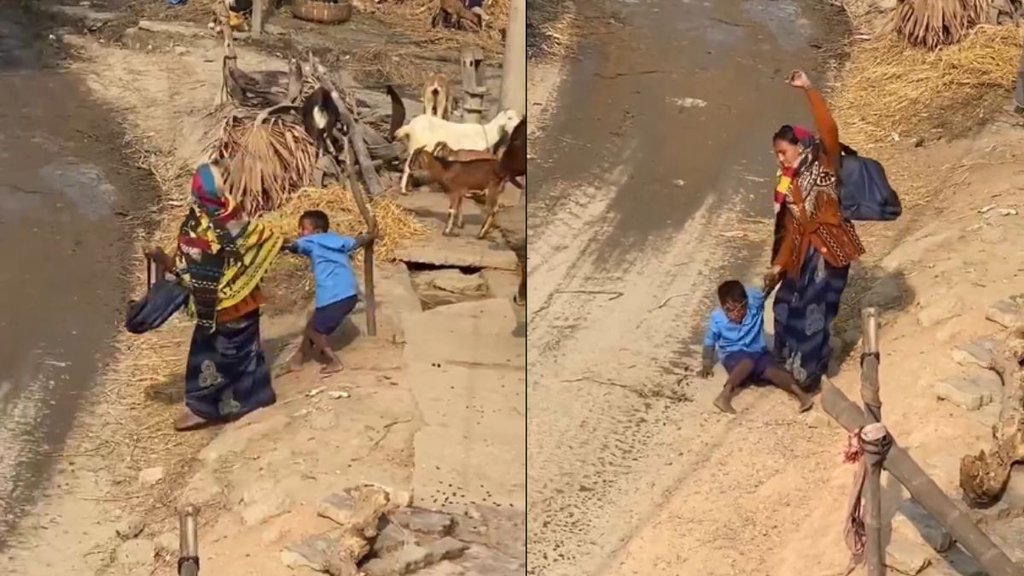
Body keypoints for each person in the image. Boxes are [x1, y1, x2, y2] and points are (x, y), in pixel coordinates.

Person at [145, 160, 283, 431]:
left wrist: (161, 258)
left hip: (219, 309)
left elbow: (188, 273)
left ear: (196, 194)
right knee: (246, 350)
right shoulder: (233, 212)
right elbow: (262, 236)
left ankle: (204, 408)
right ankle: (256, 396)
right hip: (247, 299)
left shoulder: (198, 229)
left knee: (207, 356)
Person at [765, 70, 866, 391]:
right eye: (776, 154)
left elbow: (829, 127)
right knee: (783, 305)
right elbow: (791, 229)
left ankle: (809, 374)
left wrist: (809, 88)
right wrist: (778, 265)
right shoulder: (786, 184)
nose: (779, 159)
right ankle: (786, 362)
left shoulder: (824, 162)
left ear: (800, 146)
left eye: (783, 152)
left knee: (812, 312)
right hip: (802, 255)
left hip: (830, 252)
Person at [282, 210, 375, 375]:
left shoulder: (311, 241)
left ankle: (334, 361)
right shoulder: (338, 240)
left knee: (314, 331)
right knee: (312, 324)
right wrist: (370, 235)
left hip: (333, 296)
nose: (300, 232)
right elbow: (357, 241)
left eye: (303, 228)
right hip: (350, 294)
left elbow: (294, 245)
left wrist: (276, 243)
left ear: (316, 231)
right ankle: (298, 359)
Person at [701, 280, 814, 415]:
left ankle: (802, 395)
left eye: (740, 308)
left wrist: (773, 276)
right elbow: (709, 341)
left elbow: (766, 288)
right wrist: (707, 363)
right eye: (729, 310)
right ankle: (724, 396)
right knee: (747, 363)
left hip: (758, 352)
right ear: (723, 307)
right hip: (733, 354)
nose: (735, 313)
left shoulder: (755, 305)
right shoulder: (717, 318)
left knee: (773, 371)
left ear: (746, 303)